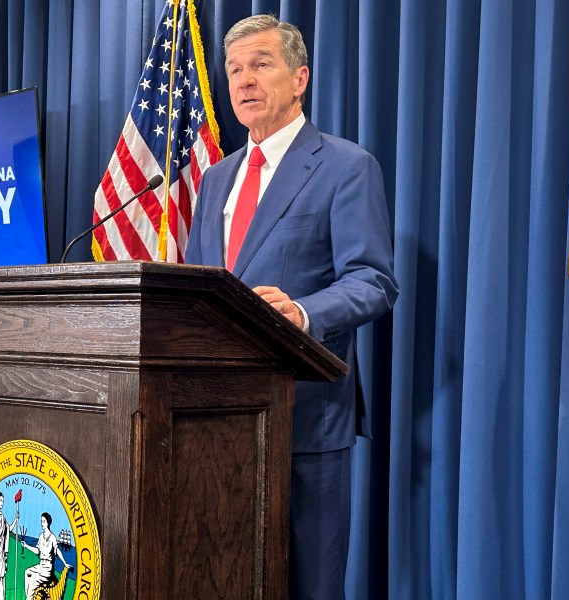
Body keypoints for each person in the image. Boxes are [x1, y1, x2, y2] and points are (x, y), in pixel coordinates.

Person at [184, 14, 398, 600]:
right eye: (234, 70)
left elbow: (374, 281)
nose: (245, 81)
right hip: (212, 421)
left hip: (304, 416)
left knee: (309, 584)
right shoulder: (215, 180)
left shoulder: (346, 167)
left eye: (261, 64)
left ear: (300, 77)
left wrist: (301, 314)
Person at [21, 512, 70, 599]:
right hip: (41, 565)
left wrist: (65, 563)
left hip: (47, 568)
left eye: (43, 521)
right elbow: (37, 551)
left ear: (48, 523)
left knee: (34, 579)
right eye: (41, 521)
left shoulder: (52, 537)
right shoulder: (40, 536)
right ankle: (29, 597)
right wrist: (26, 546)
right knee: (27, 572)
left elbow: (57, 550)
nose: (42, 524)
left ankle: (29, 598)